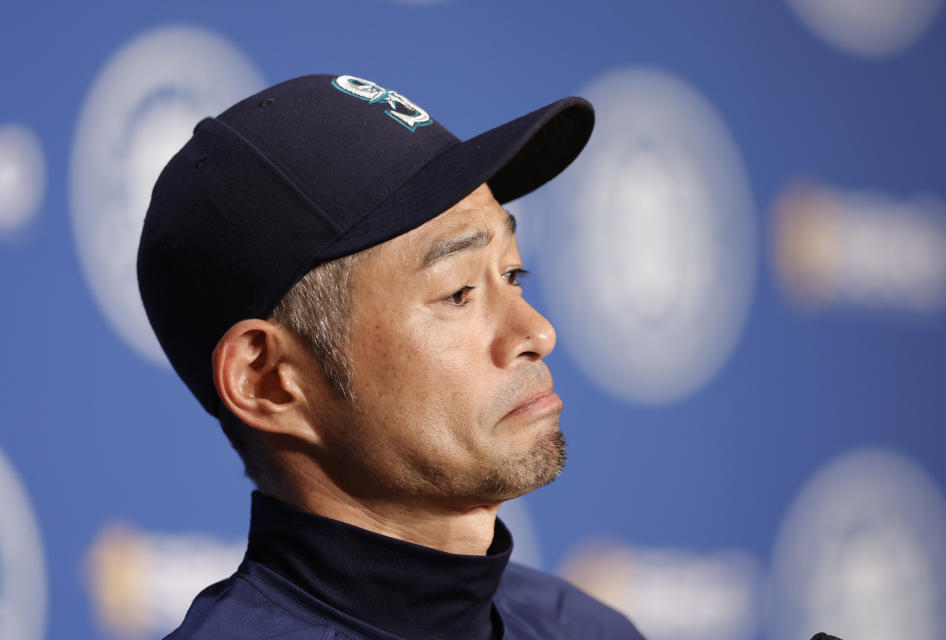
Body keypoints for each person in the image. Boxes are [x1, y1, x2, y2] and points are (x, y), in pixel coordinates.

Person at [138, 73, 644, 640]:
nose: (539, 333)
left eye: (512, 274)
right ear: (269, 380)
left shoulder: (585, 627)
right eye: (457, 293)